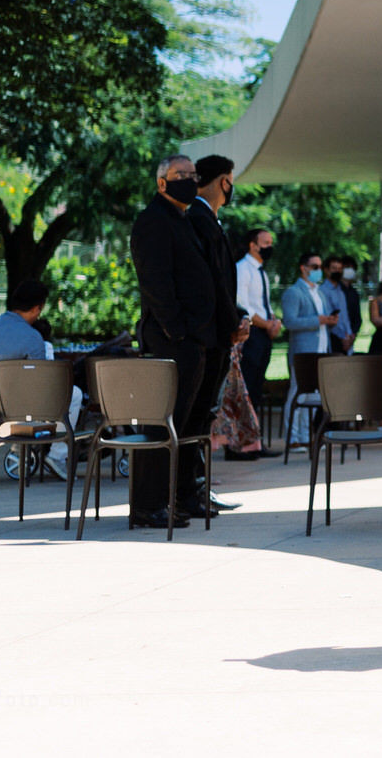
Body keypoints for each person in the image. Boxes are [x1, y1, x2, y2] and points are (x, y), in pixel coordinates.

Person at [128, 154, 221, 531]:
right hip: (172, 341)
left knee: (183, 425)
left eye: (193, 175)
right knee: (161, 424)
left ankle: (177, 497)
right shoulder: (153, 221)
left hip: (193, 341)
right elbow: (157, 283)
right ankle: (148, 505)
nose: (189, 180)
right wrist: (178, 332)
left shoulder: (181, 219)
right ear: (161, 182)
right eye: (179, 175)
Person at [0, 279, 80, 479]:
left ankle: (20, 448)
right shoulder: (32, 337)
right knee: (74, 395)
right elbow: (41, 381)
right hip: (19, 409)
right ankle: (57, 456)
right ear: (36, 308)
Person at [185, 155, 245, 512]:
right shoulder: (198, 219)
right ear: (224, 180)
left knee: (206, 415)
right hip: (209, 337)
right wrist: (231, 323)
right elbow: (210, 286)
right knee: (199, 415)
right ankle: (193, 491)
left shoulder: (205, 219)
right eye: (231, 180)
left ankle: (199, 489)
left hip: (217, 333)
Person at [280, 252, 339, 444]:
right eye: (314, 267)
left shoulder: (319, 292)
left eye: (320, 267)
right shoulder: (293, 292)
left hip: (320, 350)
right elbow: (289, 321)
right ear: (303, 268)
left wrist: (329, 321)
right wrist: (318, 320)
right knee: (297, 393)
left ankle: (306, 437)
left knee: (313, 397)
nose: (318, 271)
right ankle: (293, 438)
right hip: (303, 353)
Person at [235, 226, 282, 427]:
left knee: (257, 387)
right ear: (253, 246)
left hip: (263, 335)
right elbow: (243, 306)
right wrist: (267, 324)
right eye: (265, 244)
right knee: (247, 387)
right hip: (251, 334)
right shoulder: (243, 269)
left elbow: (262, 304)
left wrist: (273, 322)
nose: (269, 247)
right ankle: (242, 442)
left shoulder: (261, 271)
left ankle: (254, 439)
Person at [328, 256, 363, 354]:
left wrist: (352, 335)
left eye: (352, 268)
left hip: (350, 335)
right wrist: (343, 336)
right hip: (335, 336)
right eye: (347, 267)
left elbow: (357, 317)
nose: (350, 270)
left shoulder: (354, 292)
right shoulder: (334, 290)